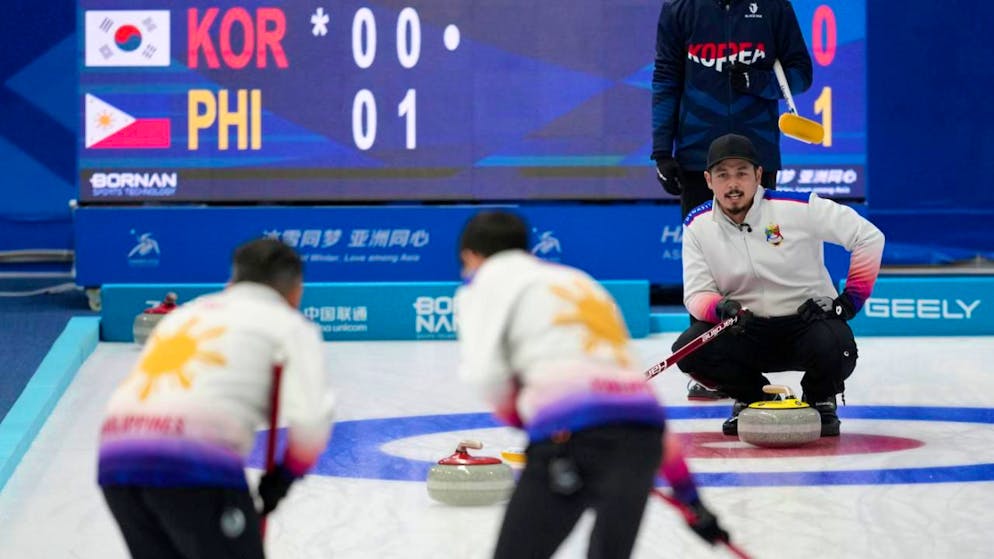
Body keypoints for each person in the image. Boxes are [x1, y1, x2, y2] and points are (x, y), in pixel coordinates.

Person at [455, 211, 728, 559]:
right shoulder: (579, 282)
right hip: (641, 440)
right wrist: (691, 499)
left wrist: (534, 421)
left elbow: (486, 377)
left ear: (470, 256)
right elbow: (642, 409)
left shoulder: (482, 282)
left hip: (568, 441)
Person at [97, 238, 335, 558]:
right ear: (296, 290)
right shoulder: (289, 325)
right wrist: (281, 481)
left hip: (116, 457)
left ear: (232, 280)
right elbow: (312, 422)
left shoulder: (188, 314)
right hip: (192, 464)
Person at [651, 0, 814, 400]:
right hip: (696, 156)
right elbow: (667, 77)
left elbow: (800, 74)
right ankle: (712, 369)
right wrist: (661, 150)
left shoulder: (774, 7)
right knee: (704, 262)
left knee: (764, 254)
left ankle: (761, 354)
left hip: (757, 156)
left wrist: (757, 82)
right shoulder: (680, 9)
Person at [673, 134, 884, 437]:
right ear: (708, 180)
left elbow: (869, 237)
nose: (733, 184)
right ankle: (755, 397)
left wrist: (847, 303)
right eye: (723, 175)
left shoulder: (799, 206)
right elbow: (696, 293)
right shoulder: (698, 225)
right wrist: (722, 309)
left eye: (742, 173)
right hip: (746, 330)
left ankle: (819, 398)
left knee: (837, 344)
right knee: (689, 349)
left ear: (758, 175)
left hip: (805, 326)